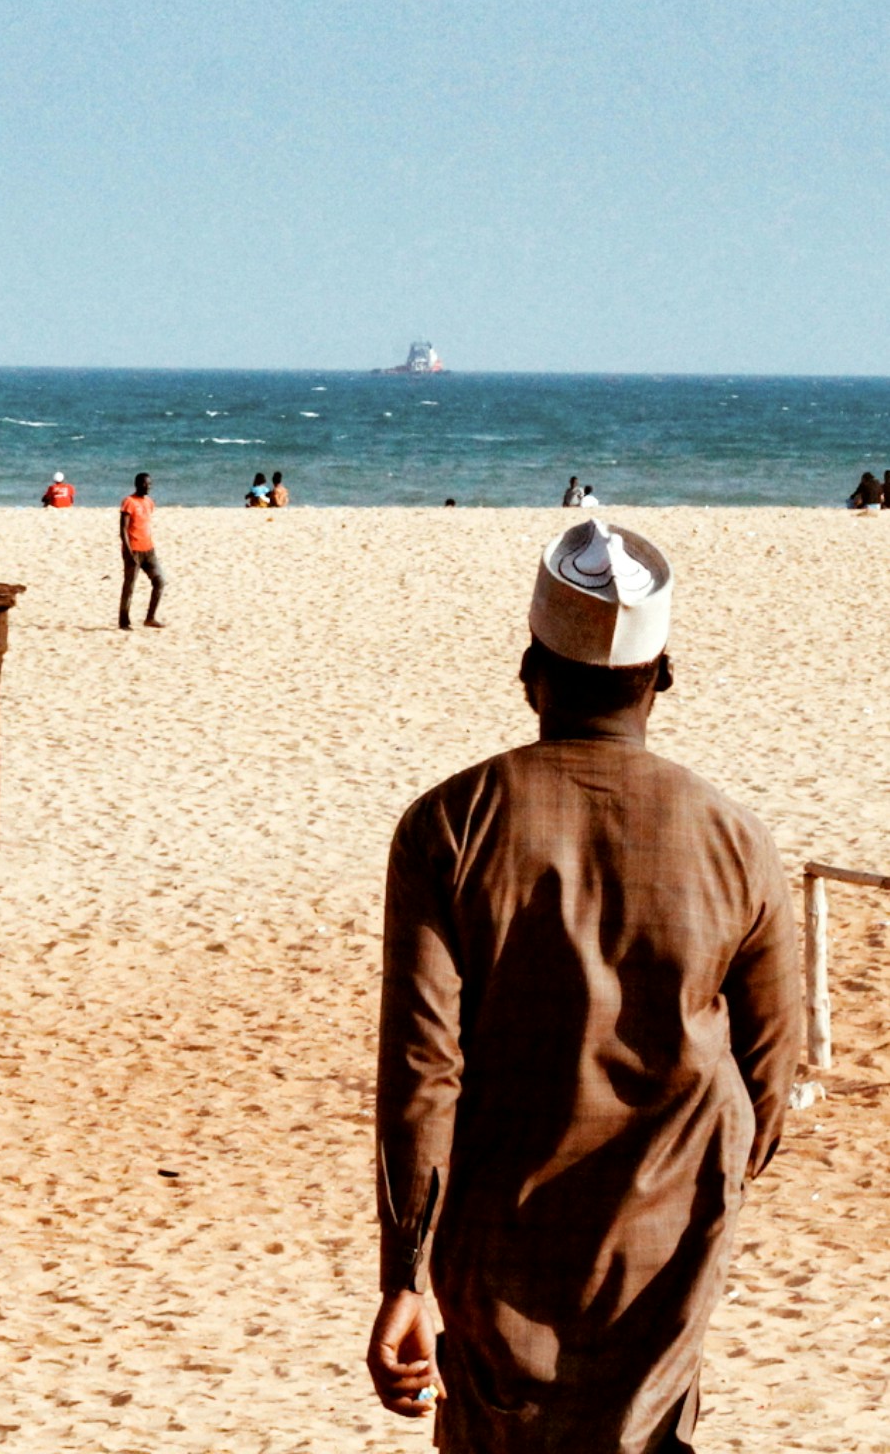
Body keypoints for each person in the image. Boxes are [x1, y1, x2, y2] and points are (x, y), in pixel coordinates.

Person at [367, 520, 798, 1452]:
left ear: (532, 675)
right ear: (663, 679)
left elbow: (423, 1068)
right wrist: (695, 1191)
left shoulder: (450, 824)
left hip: (496, 1242)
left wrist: (404, 1275)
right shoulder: (737, 838)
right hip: (670, 1247)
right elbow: (769, 1078)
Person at [117, 472, 165, 630]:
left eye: (150, 484)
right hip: (134, 551)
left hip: (149, 550)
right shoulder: (129, 502)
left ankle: (150, 618)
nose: (148, 487)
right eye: (145, 484)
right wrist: (129, 552)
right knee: (129, 586)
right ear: (137, 484)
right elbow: (123, 529)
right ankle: (124, 621)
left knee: (160, 581)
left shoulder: (149, 502)